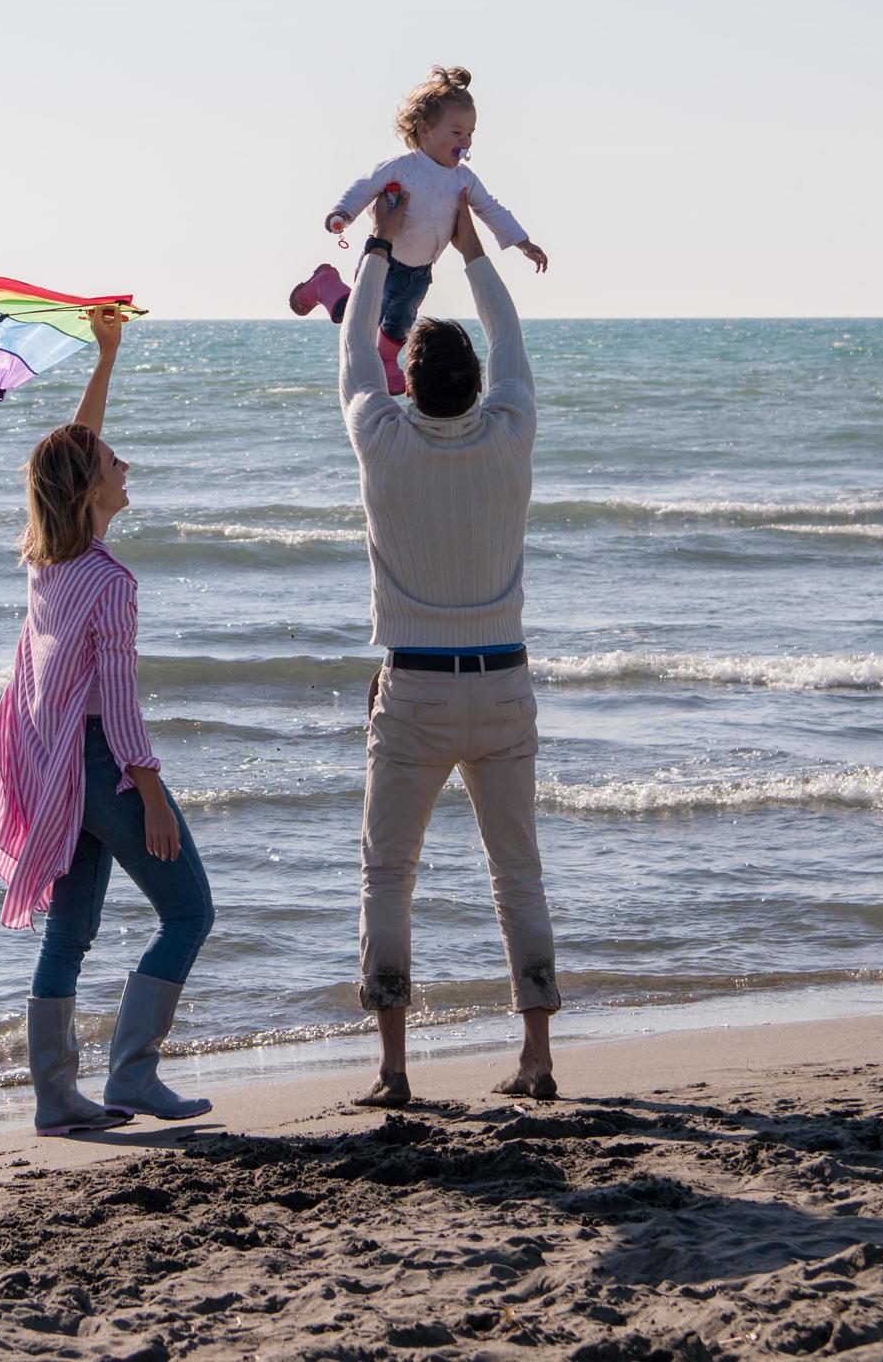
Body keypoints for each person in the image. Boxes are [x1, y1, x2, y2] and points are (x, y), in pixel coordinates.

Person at [337, 186, 559, 1107]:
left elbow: (354, 351)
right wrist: (471, 251)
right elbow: (510, 341)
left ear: (409, 384)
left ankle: (394, 1070)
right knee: (519, 875)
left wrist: (380, 251)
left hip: (417, 694)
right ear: (476, 386)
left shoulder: (381, 438)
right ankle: (538, 1059)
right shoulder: (511, 433)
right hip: (501, 687)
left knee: (389, 876)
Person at [0, 305, 216, 1134]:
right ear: (92, 490)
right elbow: (118, 708)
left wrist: (104, 357)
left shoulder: (48, 561)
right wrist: (147, 794)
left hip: (53, 768)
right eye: (116, 462)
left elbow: (69, 454)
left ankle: (55, 1098)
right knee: (189, 913)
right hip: (100, 764)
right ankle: (132, 1075)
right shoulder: (108, 581)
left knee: (70, 935)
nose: (126, 465)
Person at [289, 66, 549, 394]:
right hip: (385, 261)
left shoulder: (463, 179)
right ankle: (326, 286)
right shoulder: (402, 166)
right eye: (457, 133)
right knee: (361, 320)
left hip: (421, 270)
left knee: (400, 323)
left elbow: (490, 208)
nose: (465, 141)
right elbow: (366, 186)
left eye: (470, 133)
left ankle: (384, 359)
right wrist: (343, 213)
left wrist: (522, 242)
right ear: (425, 130)